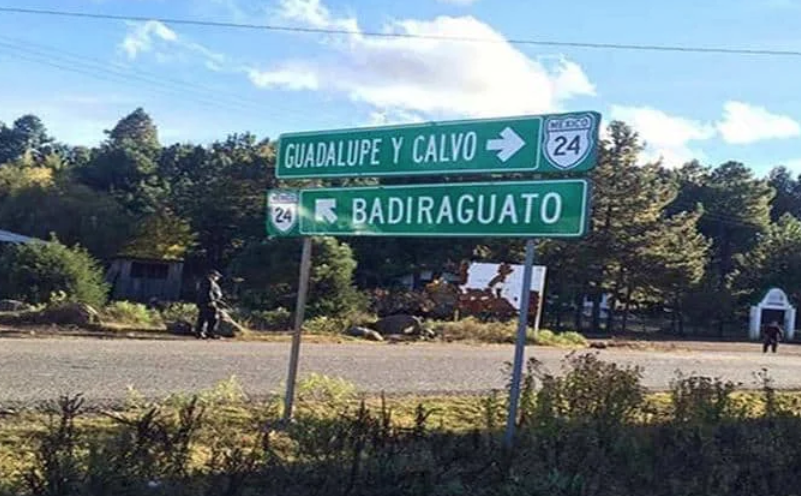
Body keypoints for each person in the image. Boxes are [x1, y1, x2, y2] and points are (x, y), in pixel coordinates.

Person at [195, 269, 224, 340]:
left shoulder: (209, 282)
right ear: (212, 275)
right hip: (207, 303)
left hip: (206, 302)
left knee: (208, 317)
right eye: (216, 276)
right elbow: (208, 292)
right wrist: (211, 301)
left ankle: (205, 333)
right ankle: (206, 333)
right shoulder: (208, 282)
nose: (217, 278)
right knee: (209, 318)